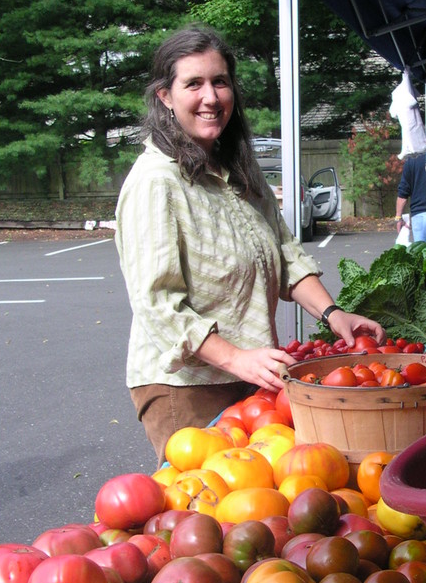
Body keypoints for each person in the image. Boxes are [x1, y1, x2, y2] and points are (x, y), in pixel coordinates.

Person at [115, 26, 385, 465]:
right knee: (211, 514)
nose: (211, 97)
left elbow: (284, 252)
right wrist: (236, 358)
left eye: (220, 81)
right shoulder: (155, 182)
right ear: (165, 96)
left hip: (257, 374)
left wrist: (335, 315)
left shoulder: (238, 168)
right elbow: (158, 304)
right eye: (193, 84)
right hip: (187, 386)